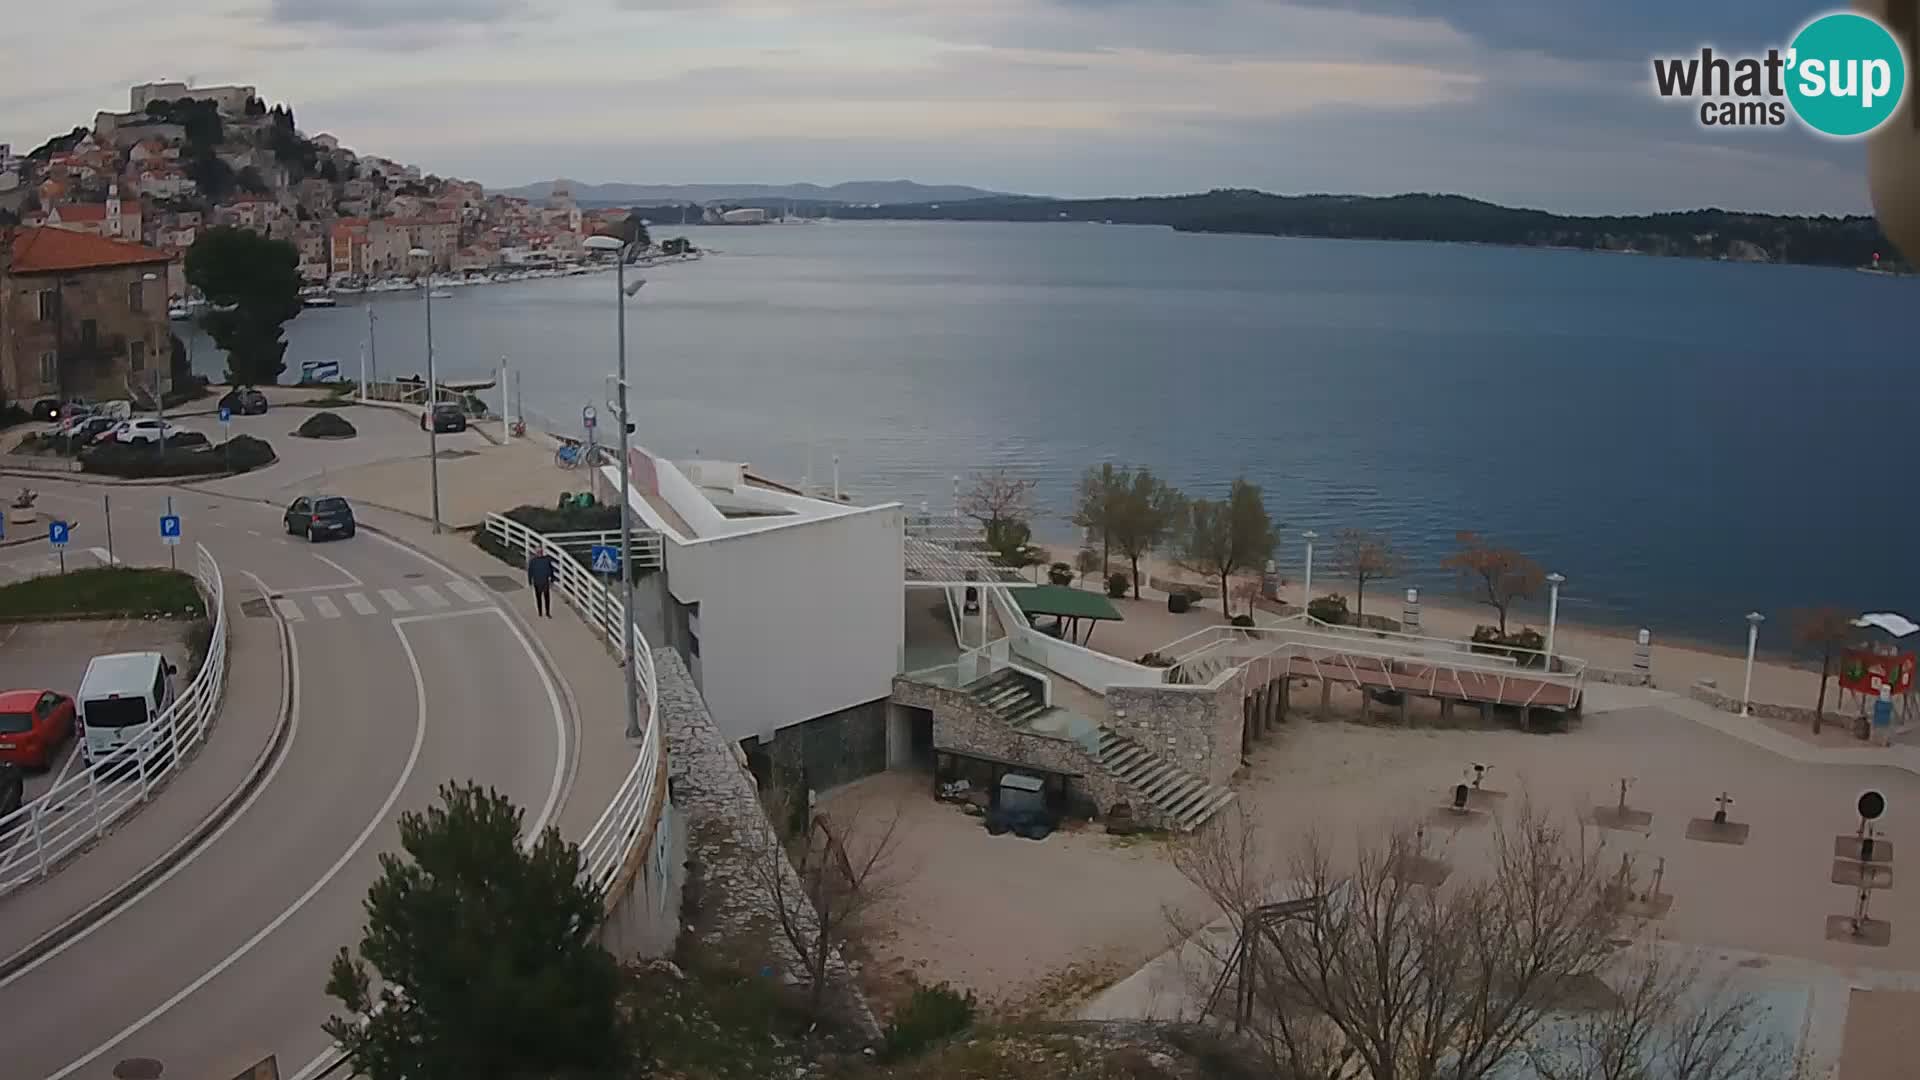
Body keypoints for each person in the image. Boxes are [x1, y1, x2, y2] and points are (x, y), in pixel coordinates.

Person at [527, 546, 556, 617]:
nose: (539, 553)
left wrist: (530, 581)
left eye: (540, 552)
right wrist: (552, 579)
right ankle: (544, 612)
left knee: (543, 598)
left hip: (541, 581)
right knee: (542, 598)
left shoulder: (534, 561)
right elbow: (551, 570)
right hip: (541, 581)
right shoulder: (544, 560)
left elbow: (530, 572)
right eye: (539, 552)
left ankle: (544, 612)